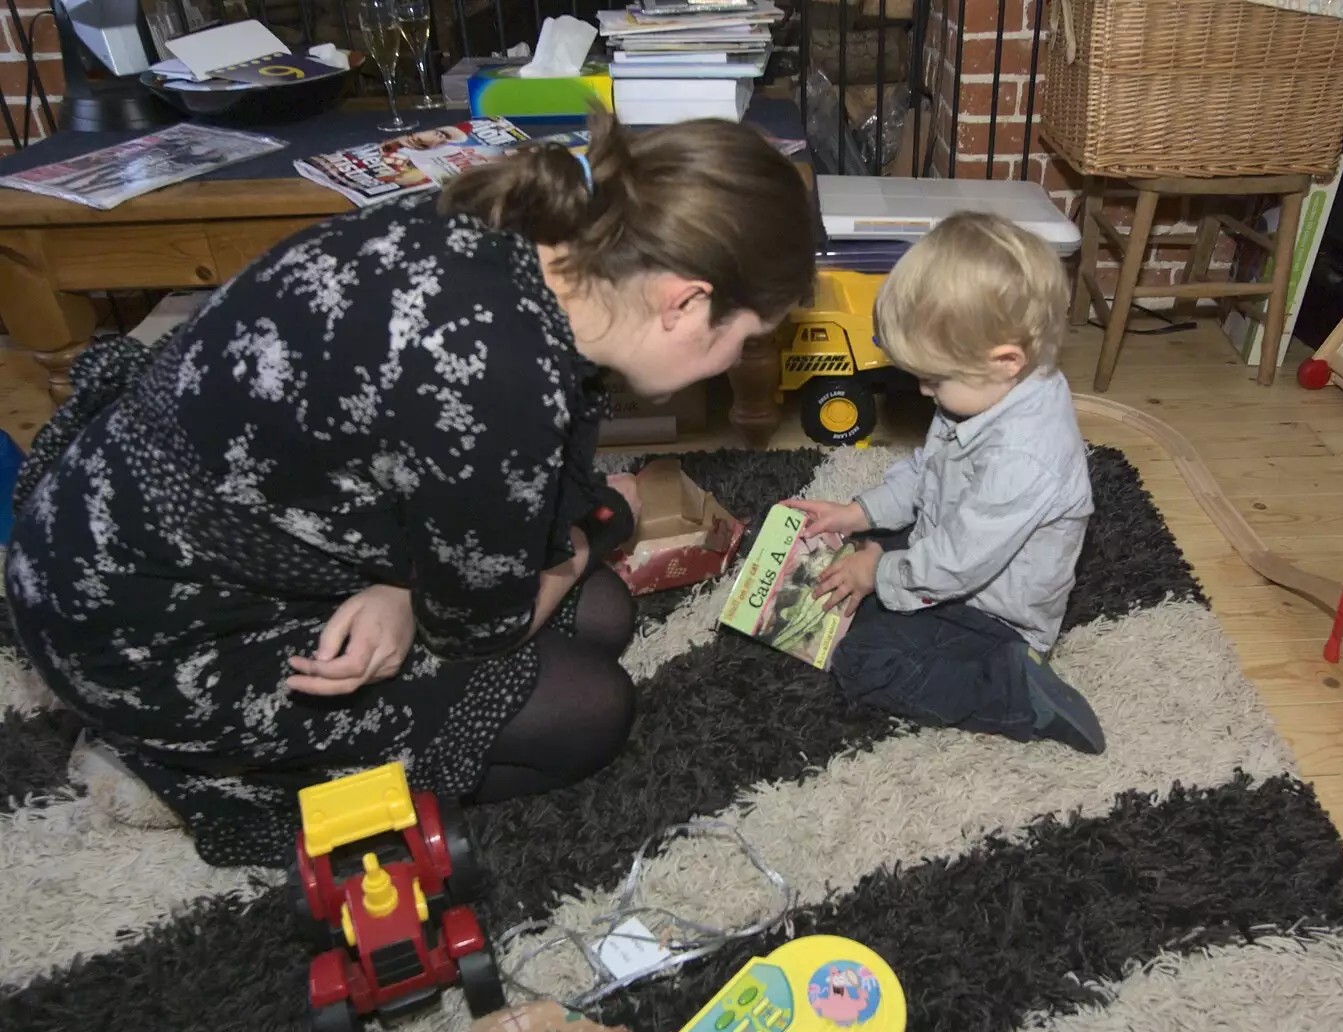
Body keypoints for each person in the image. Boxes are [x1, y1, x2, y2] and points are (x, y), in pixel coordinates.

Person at [3, 110, 815, 867]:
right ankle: (193, 770)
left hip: (189, 532)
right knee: (588, 711)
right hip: (138, 624)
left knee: (604, 612)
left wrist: (403, 586)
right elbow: (481, 627)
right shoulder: (496, 380)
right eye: (745, 340)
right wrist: (580, 548)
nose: (731, 364)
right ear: (685, 301)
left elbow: (407, 455)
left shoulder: (524, 239)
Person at [788, 212, 1104, 753]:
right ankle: (878, 571)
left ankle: (1015, 692)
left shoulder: (1025, 457)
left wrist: (882, 571)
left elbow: (958, 563)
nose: (924, 392)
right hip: (949, 553)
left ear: (1005, 361)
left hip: (994, 617)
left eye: (934, 379)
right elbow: (925, 473)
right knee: (851, 562)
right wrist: (857, 514)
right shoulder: (978, 394)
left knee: (862, 662)